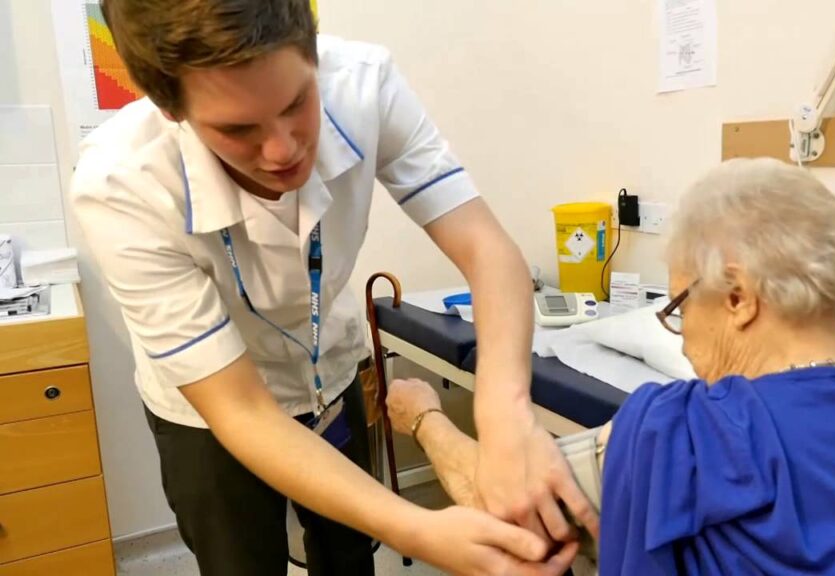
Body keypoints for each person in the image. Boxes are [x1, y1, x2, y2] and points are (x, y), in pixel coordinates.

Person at [71, 1, 593, 574]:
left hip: (330, 369)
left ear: (312, 54)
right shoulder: (119, 186)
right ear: (172, 109)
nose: (283, 150)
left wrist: (504, 412)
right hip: (213, 409)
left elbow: (487, 251)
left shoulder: (363, 84)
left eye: (297, 104)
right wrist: (416, 530)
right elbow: (241, 410)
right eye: (238, 130)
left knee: (348, 555)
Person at [386, 157, 835, 575]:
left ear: (739, 298)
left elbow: (501, 502)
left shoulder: (690, 433)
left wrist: (423, 416)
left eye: (678, 307)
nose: (684, 339)